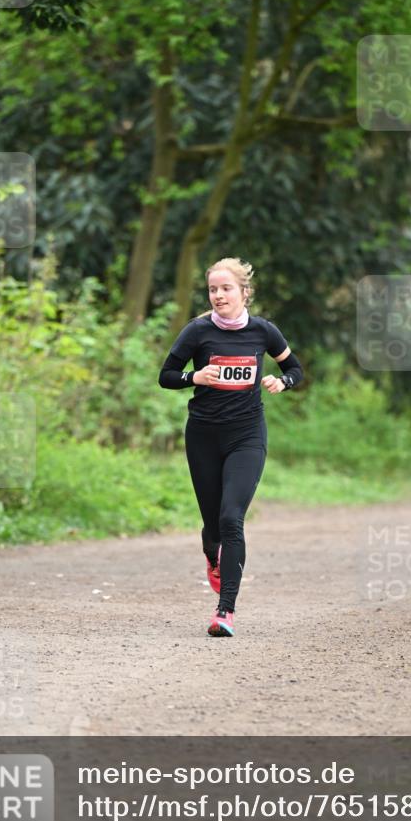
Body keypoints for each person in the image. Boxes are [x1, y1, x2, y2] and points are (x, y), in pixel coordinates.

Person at [158, 257, 303, 637]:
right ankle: (213, 555)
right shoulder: (197, 331)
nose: (218, 295)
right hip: (203, 436)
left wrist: (282, 382)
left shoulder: (264, 332)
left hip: (247, 436)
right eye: (213, 289)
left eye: (226, 288)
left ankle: (225, 612)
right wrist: (195, 377)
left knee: (231, 518)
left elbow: (295, 369)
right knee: (213, 527)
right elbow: (166, 376)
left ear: (244, 292)